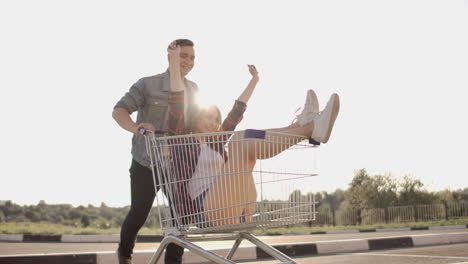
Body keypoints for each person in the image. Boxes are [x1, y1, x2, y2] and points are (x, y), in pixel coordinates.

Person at [165, 42, 340, 228]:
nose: (212, 122)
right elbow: (176, 102)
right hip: (204, 211)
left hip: (236, 205)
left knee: (241, 139)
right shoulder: (181, 142)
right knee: (240, 140)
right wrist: (175, 64)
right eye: (207, 116)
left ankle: (301, 125)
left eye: (216, 119)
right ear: (195, 117)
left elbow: (236, 111)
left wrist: (254, 81)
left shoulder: (215, 143)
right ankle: (308, 127)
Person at [112, 39, 198, 264]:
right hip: (146, 161)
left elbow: (196, 126)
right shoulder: (147, 84)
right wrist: (136, 128)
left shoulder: (193, 90)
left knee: (181, 215)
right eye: (183, 55)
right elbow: (119, 111)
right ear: (170, 56)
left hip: (177, 163)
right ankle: (124, 254)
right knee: (139, 211)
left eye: (192, 57)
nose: (188, 61)